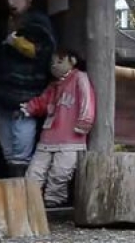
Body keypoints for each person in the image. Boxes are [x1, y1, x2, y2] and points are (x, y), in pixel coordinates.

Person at [0, 0, 55, 176]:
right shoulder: (2, 22)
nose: (10, 1)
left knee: (22, 147)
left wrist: (17, 42)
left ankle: (20, 189)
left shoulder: (38, 22)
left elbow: (44, 52)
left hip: (28, 92)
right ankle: (9, 189)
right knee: (6, 146)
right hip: (3, 92)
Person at [22, 49, 95, 207]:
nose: (54, 65)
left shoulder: (80, 78)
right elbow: (42, 102)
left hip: (71, 137)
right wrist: (30, 107)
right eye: (52, 62)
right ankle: (30, 198)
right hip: (48, 136)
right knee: (35, 170)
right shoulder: (53, 86)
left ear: (72, 60)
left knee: (61, 172)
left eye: (59, 61)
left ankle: (53, 200)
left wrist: (85, 121)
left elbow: (87, 100)